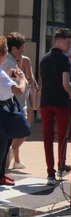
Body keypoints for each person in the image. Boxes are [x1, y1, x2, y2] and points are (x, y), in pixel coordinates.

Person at [39, 28, 71, 185]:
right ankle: (61, 165)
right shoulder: (65, 60)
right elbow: (65, 83)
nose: (69, 47)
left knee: (47, 137)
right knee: (62, 136)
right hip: (61, 102)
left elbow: (42, 82)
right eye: (67, 43)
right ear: (58, 42)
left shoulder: (44, 59)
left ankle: (50, 172)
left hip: (45, 102)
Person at [2, 32, 37, 171]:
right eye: (22, 47)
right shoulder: (9, 63)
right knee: (22, 131)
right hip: (12, 105)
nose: (23, 50)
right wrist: (23, 79)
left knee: (10, 136)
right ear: (14, 49)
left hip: (13, 105)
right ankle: (8, 158)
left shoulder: (14, 61)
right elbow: (18, 89)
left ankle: (9, 162)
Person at [0, 36, 27, 186]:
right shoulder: (1, 75)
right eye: (4, 52)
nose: (6, 55)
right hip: (3, 110)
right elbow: (18, 91)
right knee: (3, 143)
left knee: (4, 142)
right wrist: (22, 79)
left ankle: (1, 174)